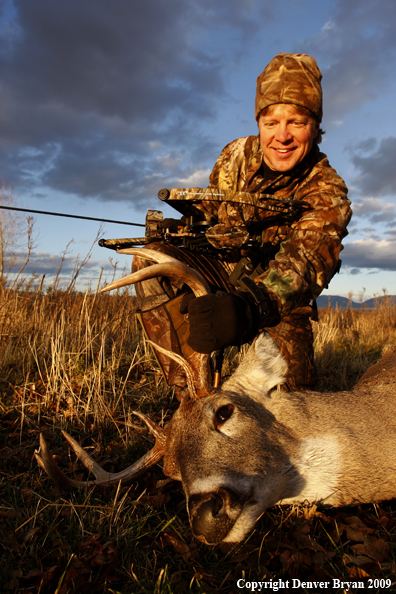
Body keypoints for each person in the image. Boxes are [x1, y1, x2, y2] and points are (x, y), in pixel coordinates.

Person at [134, 53, 352, 391]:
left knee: (290, 409)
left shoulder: (327, 189)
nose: (282, 136)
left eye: (296, 121)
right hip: (221, 274)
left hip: (277, 303)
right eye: (271, 123)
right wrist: (183, 230)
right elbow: (209, 209)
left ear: (315, 126)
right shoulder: (234, 154)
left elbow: (306, 262)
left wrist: (252, 307)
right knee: (153, 258)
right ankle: (191, 393)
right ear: (258, 123)